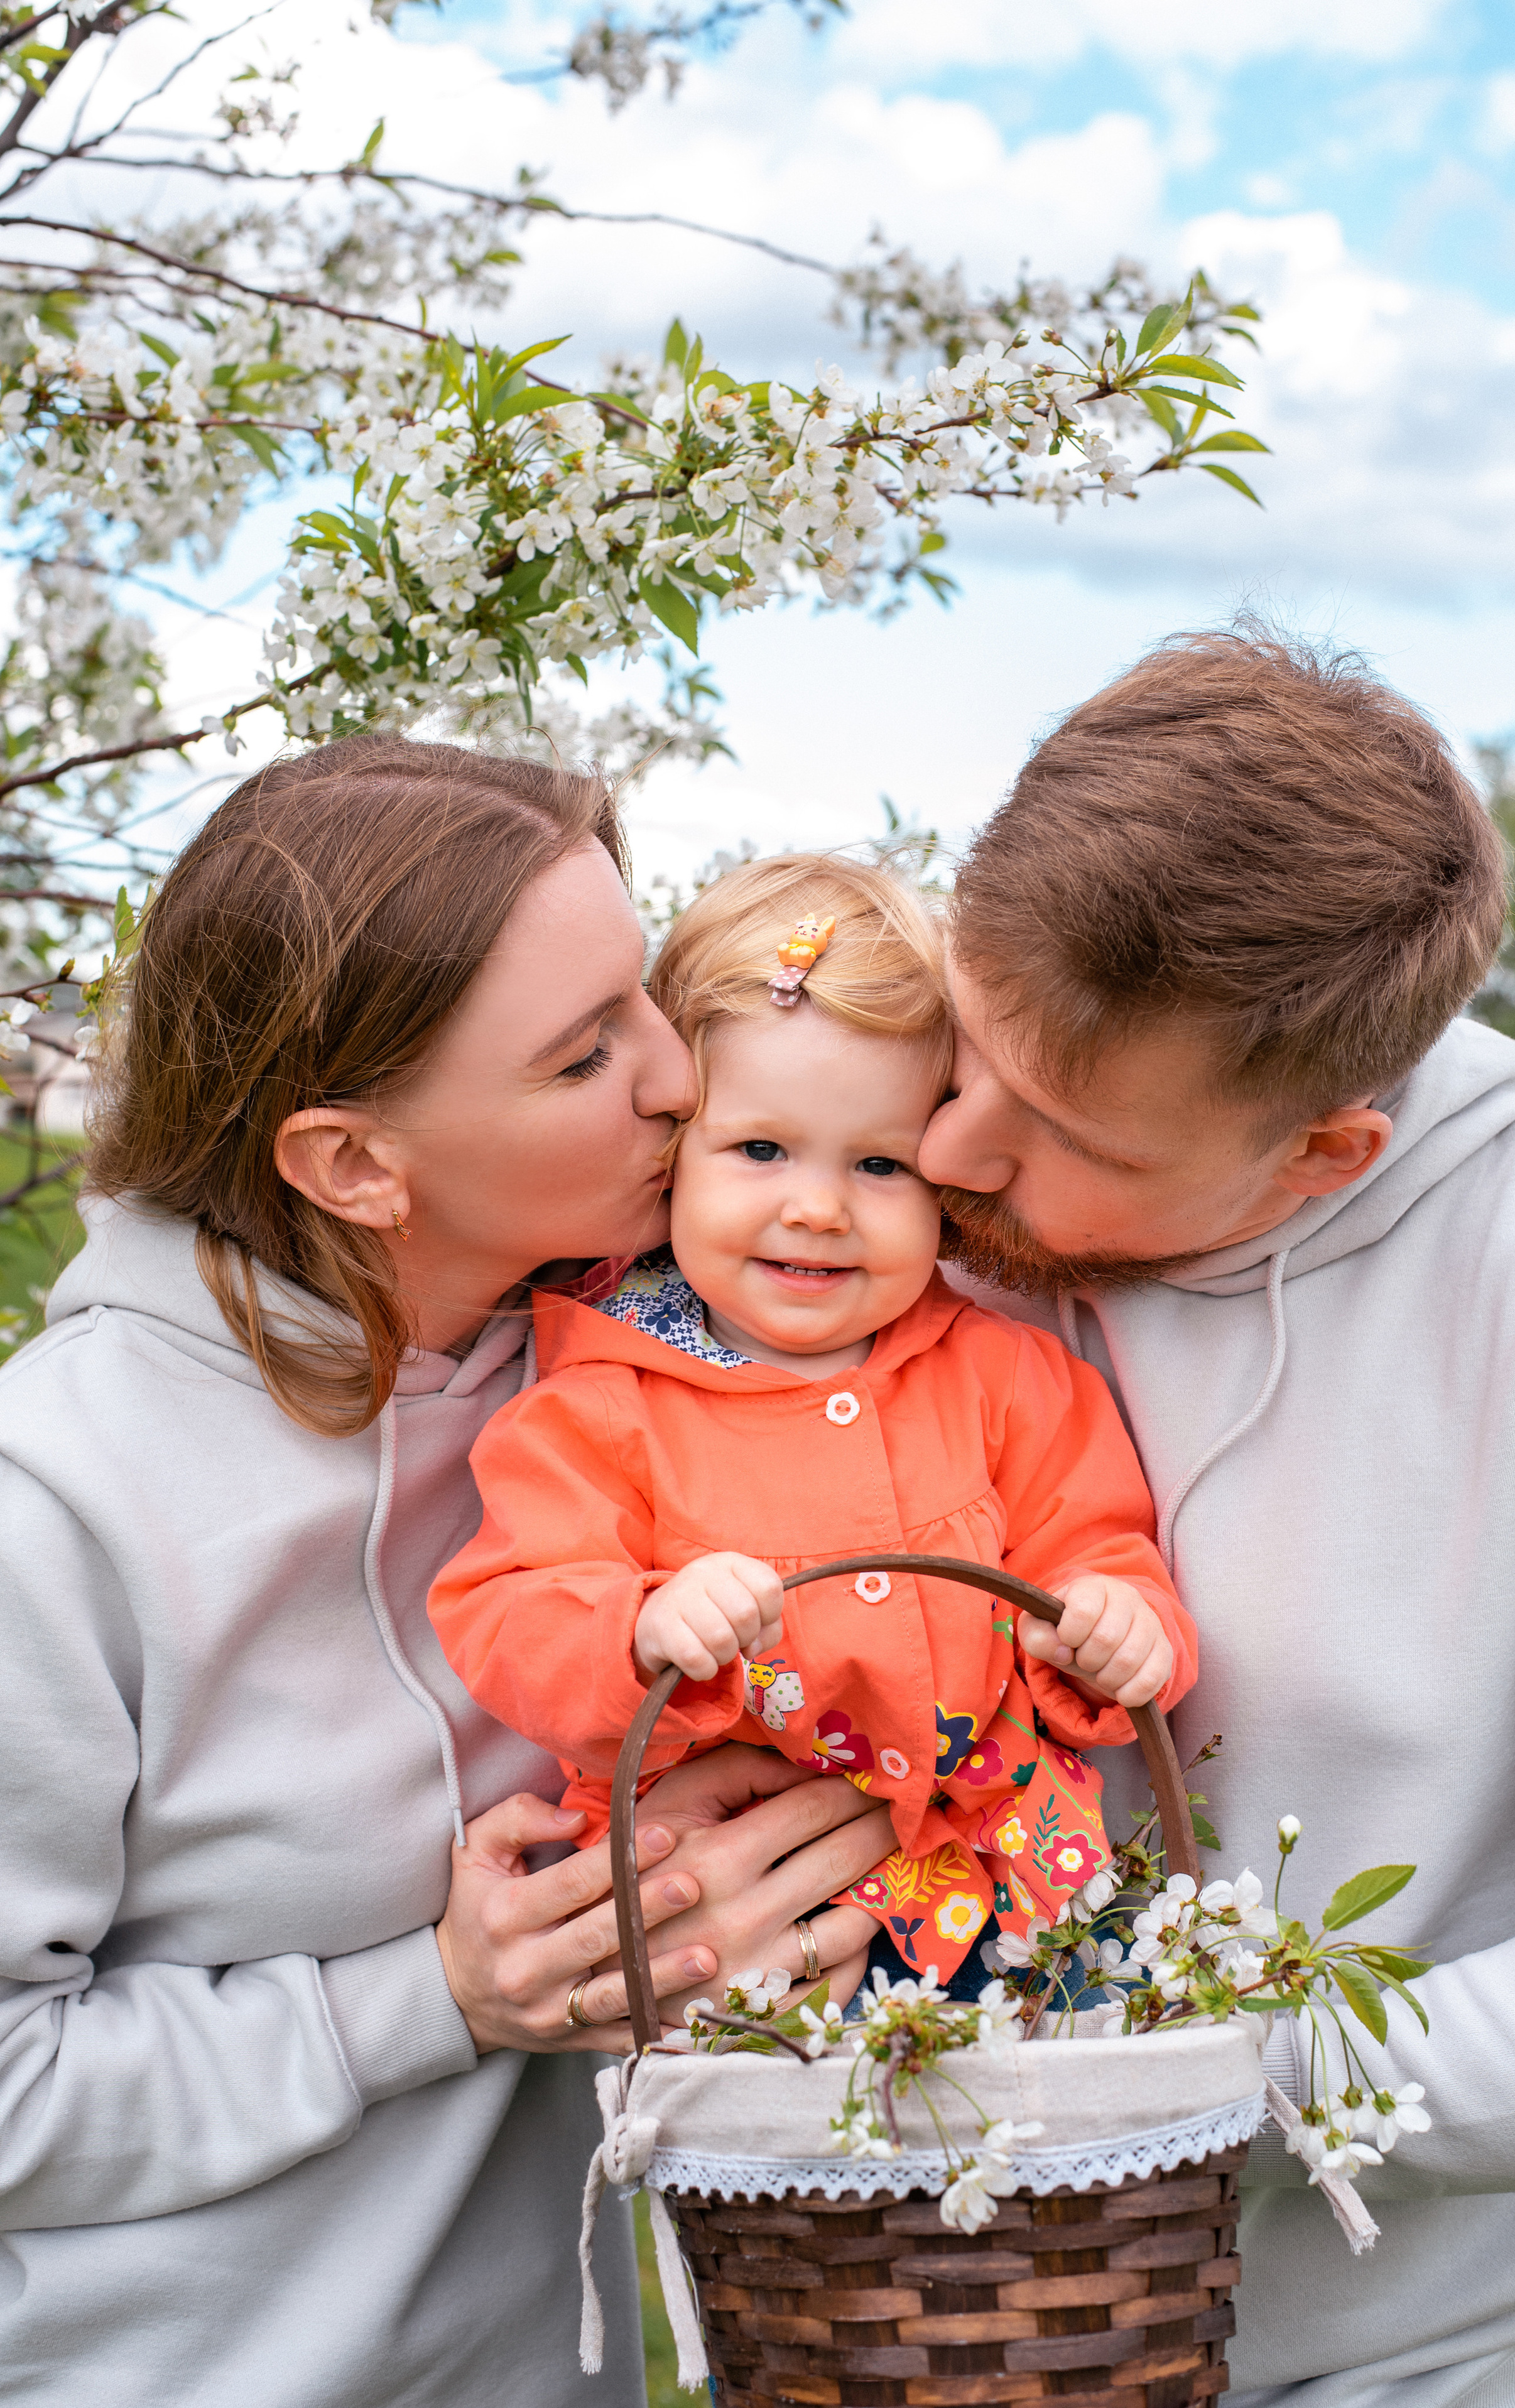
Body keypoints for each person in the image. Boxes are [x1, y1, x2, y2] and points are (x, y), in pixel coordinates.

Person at [0, 738, 893, 2408]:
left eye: (645, 999)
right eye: (583, 1056)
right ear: (354, 1166)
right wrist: (434, 2000)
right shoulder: (49, 1509)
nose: (680, 1080)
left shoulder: (626, 1380)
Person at [918, 629, 1515, 2408]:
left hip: (1387, 2370)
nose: (947, 1156)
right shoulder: (898, 1202)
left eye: (1065, 1130)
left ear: (1325, 1156)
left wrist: (1145, 2093)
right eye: (962, 1041)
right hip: (883, 2335)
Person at [430, 854, 1197, 1994]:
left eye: (881, 1162)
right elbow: (510, 1606)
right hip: (738, 1913)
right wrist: (642, 1625)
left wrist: (1119, 1625)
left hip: (1011, 1888)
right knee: (776, 2155)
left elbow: (1093, 1541)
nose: (818, 1206)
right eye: (760, 1149)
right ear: (673, 1151)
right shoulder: (598, 1405)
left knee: (1055, 2147)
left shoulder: (1004, 1373)